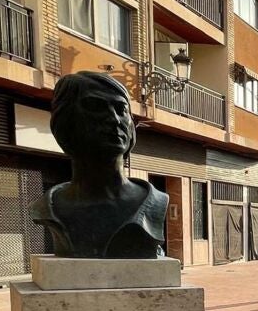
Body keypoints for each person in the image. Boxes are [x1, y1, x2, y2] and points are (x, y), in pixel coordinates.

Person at [31, 72, 168, 259]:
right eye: (96, 107)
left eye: (121, 109)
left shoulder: (155, 203)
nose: (115, 119)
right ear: (66, 122)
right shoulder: (48, 208)